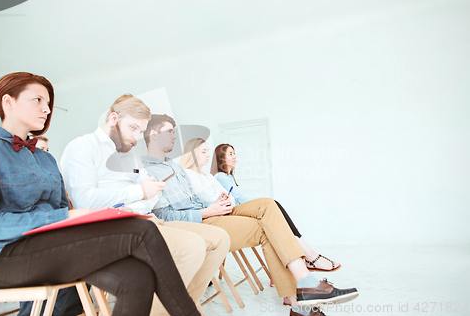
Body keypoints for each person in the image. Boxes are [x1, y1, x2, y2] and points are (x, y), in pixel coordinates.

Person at [0, 72, 200, 316]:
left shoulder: (46, 158)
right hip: (7, 259)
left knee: (137, 276)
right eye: (38, 100)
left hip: (53, 247)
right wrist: (62, 218)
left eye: (48, 103)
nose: (46, 109)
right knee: (142, 231)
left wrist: (77, 219)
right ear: (8, 102)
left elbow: (61, 209)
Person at [141, 114, 358, 311]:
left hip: (211, 214)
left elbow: (194, 200)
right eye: (170, 131)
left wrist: (214, 203)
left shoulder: (176, 168)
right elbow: (163, 217)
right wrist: (206, 211)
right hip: (198, 225)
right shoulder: (145, 171)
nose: (174, 136)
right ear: (153, 134)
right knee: (267, 227)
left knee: (268, 205)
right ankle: (300, 298)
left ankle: (302, 290)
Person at [60, 94, 230, 316]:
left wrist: (138, 199)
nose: (136, 137)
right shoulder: (82, 147)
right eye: (132, 128)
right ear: (113, 118)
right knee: (191, 246)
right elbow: (85, 200)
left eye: (140, 131)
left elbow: (153, 195)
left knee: (219, 239)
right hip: (110, 229)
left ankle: (174, 308)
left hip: (148, 220)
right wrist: (137, 192)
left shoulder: (130, 156)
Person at [180, 138, 342, 306]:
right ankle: (300, 288)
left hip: (227, 209)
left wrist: (224, 199)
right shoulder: (187, 175)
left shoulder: (207, 176)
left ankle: (299, 289)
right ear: (191, 154)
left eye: (208, 150)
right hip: (215, 216)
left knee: (269, 204)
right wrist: (218, 203)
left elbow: (231, 198)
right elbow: (202, 202)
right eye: (203, 151)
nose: (208, 155)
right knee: (268, 215)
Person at [212, 143, 340, 272]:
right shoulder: (221, 177)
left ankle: (298, 262)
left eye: (234, 153)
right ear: (221, 158)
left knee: (275, 220)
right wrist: (263, 204)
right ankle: (311, 257)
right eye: (230, 154)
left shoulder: (227, 177)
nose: (234, 157)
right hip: (231, 215)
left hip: (239, 212)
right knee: (273, 207)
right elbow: (239, 199)